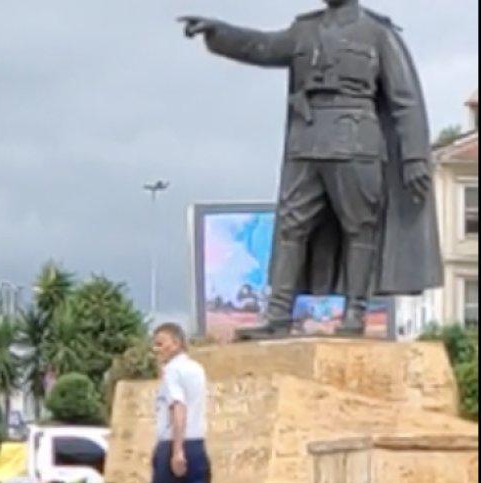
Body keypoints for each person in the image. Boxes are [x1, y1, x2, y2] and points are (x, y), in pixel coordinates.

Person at [180, 0, 442, 339]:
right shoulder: (304, 29)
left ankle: (354, 314)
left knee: (360, 229)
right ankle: (277, 315)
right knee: (292, 225)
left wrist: (415, 158)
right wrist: (219, 33)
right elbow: (263, 46)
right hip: (307, 141)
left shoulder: (378, 33)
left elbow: (405, 100)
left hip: (356, 142)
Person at [130, 324, 221, 483]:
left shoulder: (172, 371)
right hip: (198, 444)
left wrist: (176, 450)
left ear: (177, 343)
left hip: (174, 444)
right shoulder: (197, 369)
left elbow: (177, 408)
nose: (157, 349)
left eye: (162, 343)